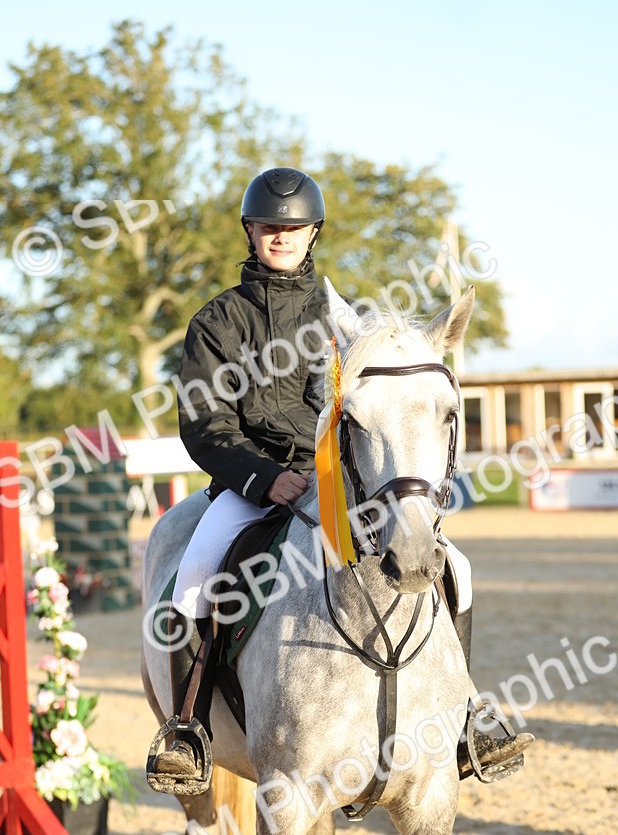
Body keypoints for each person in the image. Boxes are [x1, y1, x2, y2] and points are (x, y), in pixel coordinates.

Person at [147, 167, 532, 792]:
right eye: (268, 226)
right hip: (251, 489)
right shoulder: (217, 321)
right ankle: (188, 729)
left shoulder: (345, 324)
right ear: (250, 231)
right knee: (194, 582)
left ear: (313, 233)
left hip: (340, 484)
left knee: (456, 568)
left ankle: (466, 719)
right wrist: (264, 478)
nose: (280, 236)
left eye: (293, 227)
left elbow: (378, 411)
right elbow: (203, 423)